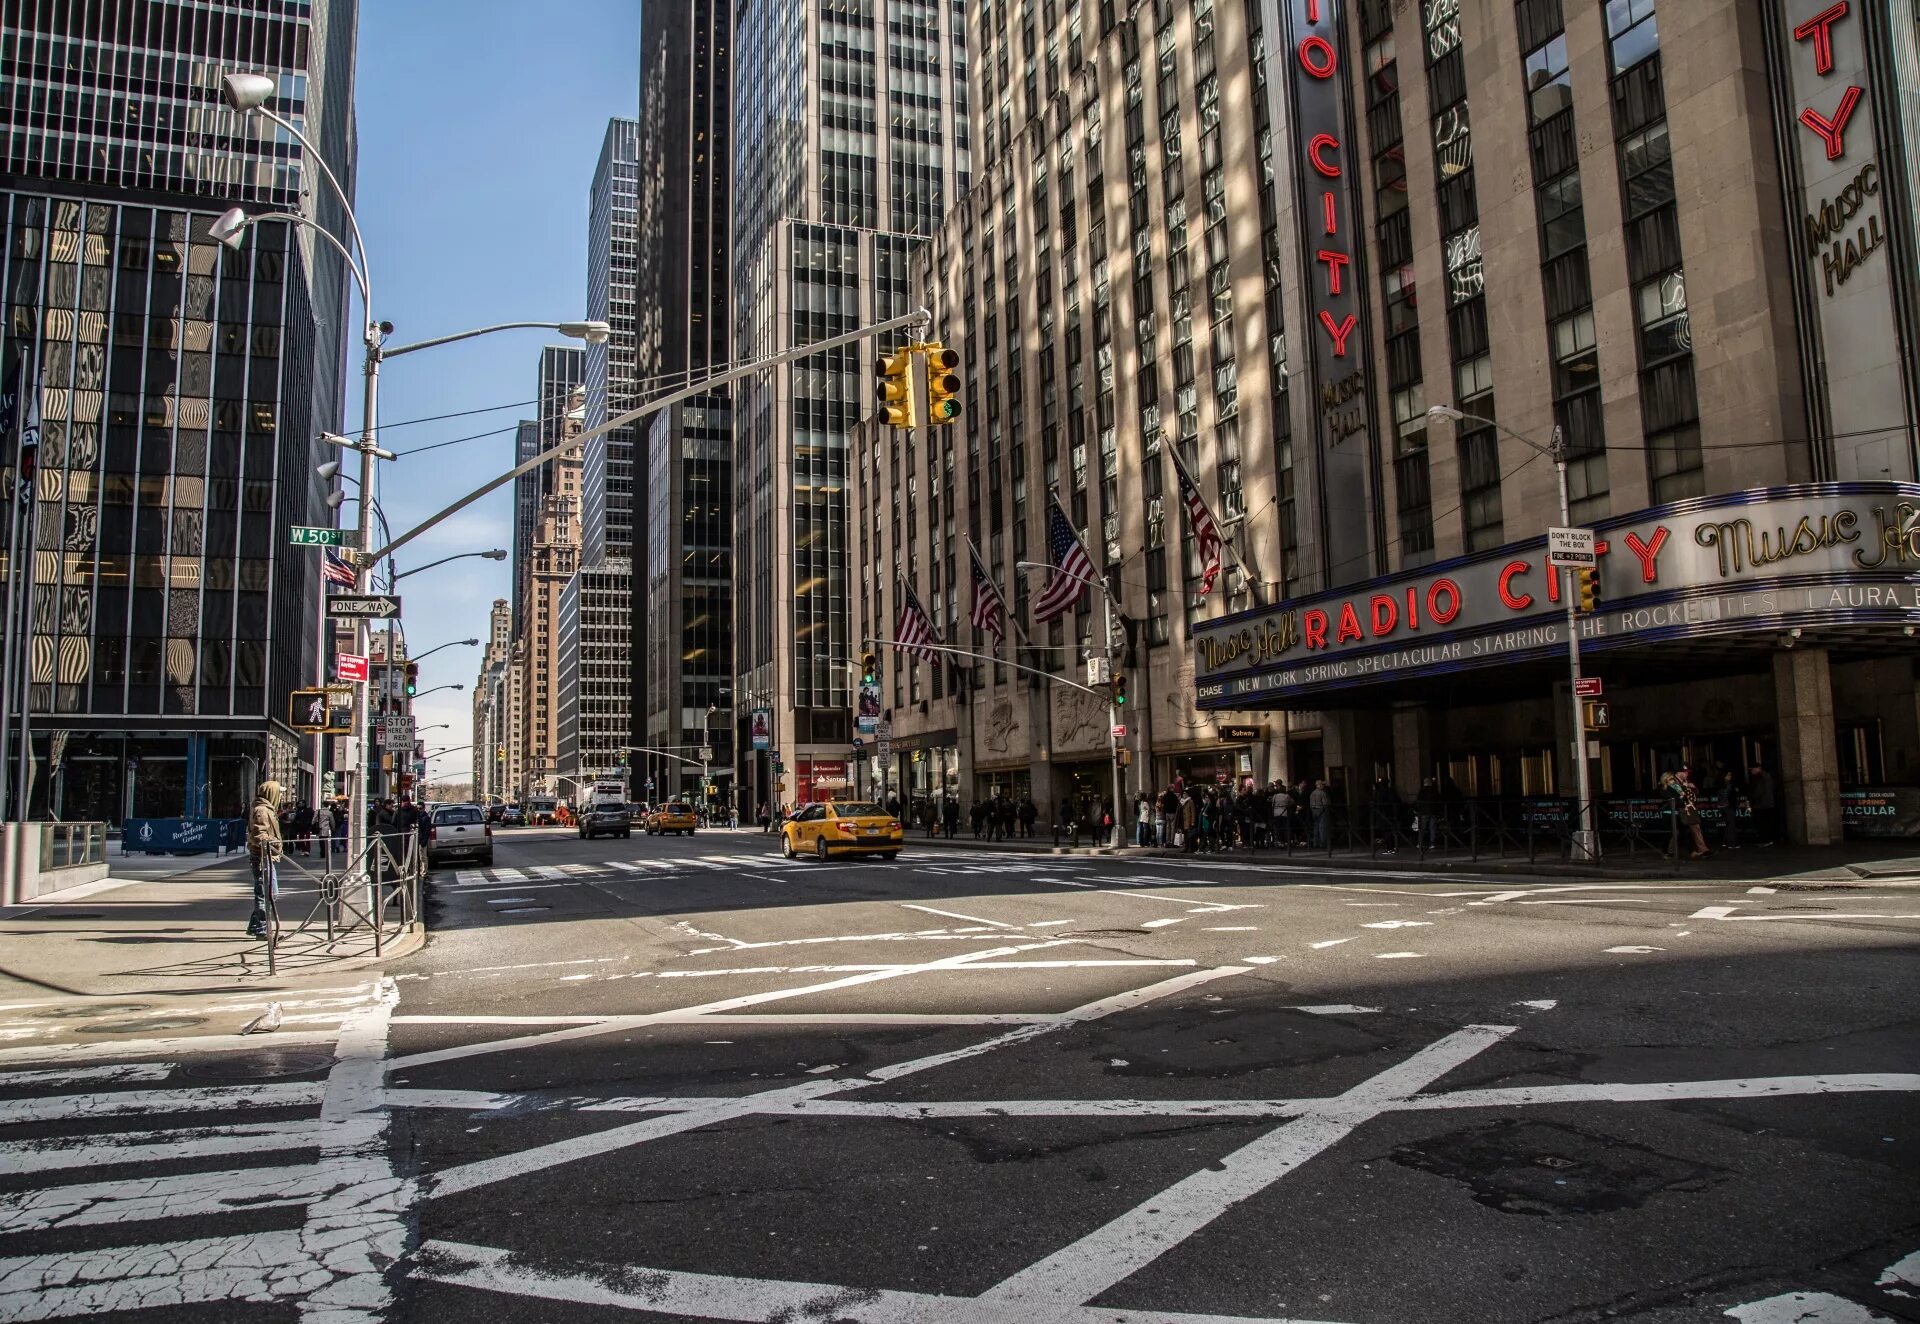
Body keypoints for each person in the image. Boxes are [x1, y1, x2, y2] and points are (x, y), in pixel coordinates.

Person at [245, 780, 284, 939]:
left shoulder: (266, 808)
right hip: (262, 856)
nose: (281, 796)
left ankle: (256, 925)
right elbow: (259, 834)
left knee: (268, 892)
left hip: (266, 855)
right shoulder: (262, 810)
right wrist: (273, 843)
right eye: (279, 792)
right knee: (267, 893)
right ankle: (261, 928)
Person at [1747, 762, 1776, 846]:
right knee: (1765, 823)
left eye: (1752, 769)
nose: (1751, 771)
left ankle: (1766, 840)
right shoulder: (1766, 776)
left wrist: (1753, 796)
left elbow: (1758, 792)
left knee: (1763, 823)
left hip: (1762, 804)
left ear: (1758, 768)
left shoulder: (1762, 777)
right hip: (1766, 803)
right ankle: (1767, 839)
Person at [1310, 780, 1331, 849]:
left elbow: (1310, 803)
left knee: (1315, 827)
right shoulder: (1323, 793)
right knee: (1322, 827)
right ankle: (1322, 843)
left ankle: (1315, 843)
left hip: (1313, 810)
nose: (1323, 786)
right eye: (1322, 785)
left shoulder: (1312, 793)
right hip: (1321, 810)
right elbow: (1326, 803)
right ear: (1318, 785)